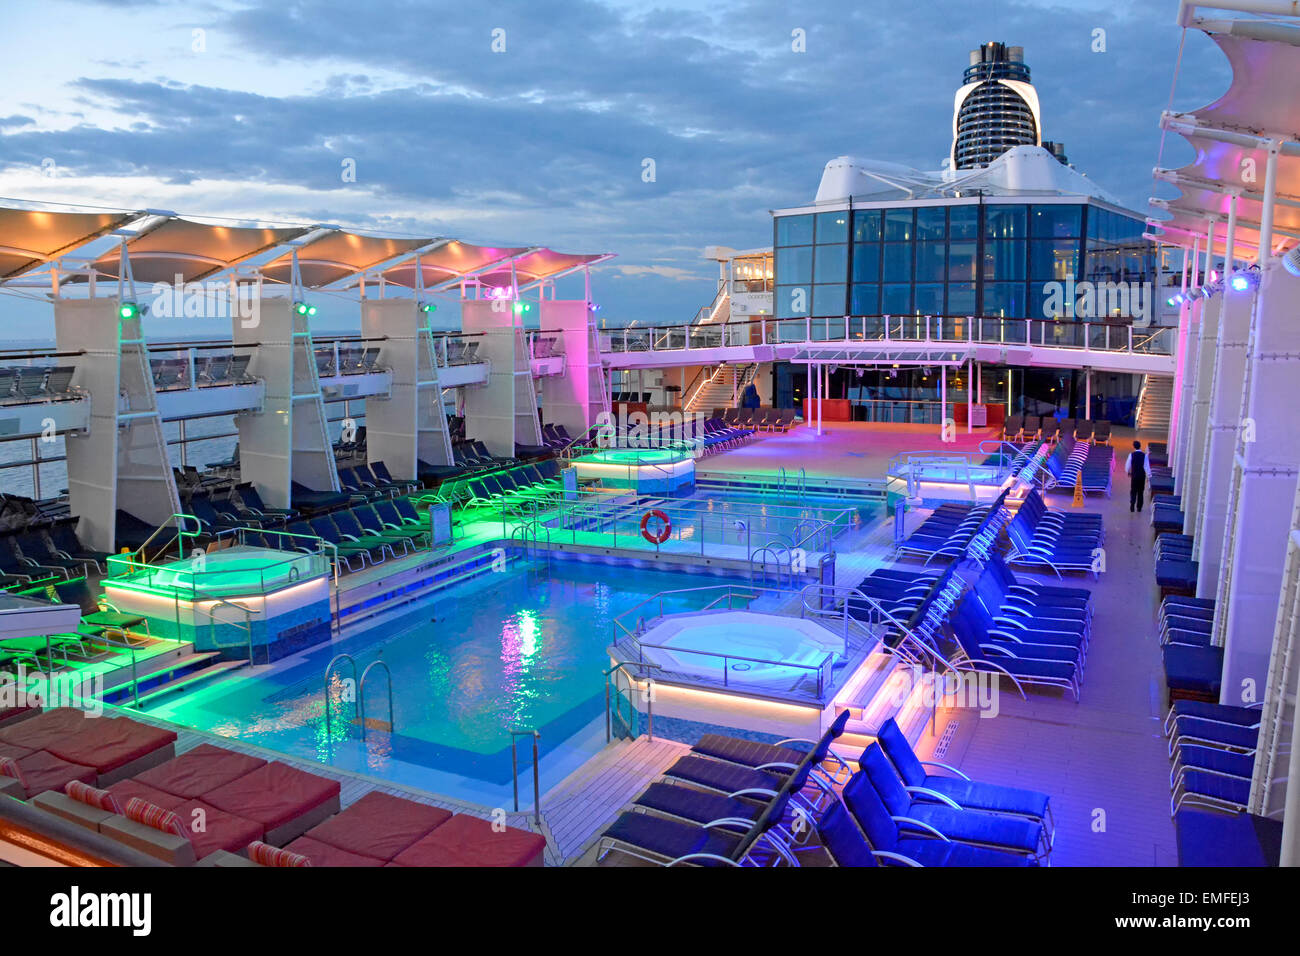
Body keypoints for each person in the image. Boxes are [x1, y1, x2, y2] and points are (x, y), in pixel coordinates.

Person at [1125, 440, 1150, 513]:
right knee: (1140, 492)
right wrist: (1149, 475)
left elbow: (1128, 465)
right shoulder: (1144, 455)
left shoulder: (1131, 454)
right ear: (1140, 446)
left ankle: (1132, 505)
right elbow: (1146, 466)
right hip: (1141, 476)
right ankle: (1139, 507)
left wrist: (1128, 472)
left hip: (1134, 476)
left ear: (1134, 446)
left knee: (1133, 491)